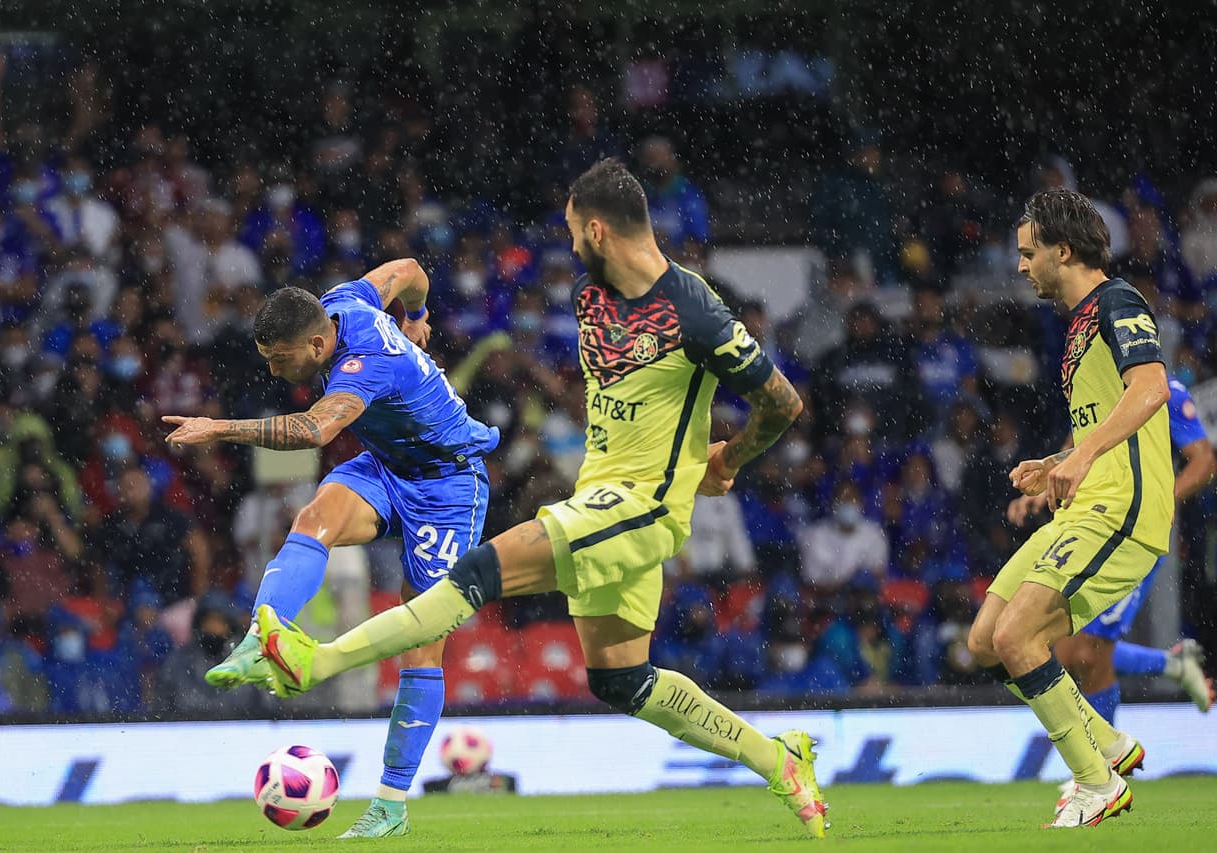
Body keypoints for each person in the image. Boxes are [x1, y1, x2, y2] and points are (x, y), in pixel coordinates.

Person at [253, 160, 830, 839]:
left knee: (472, 577)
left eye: (569, 229)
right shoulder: (593, 295)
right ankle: (779, 758)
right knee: (623, 680)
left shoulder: (696, 308)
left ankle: (319, 659)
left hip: (636, 508)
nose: (567, 242)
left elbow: (783, 402)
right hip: (599, 493)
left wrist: (728, 457)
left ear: (595, 228)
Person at [161, 258, 498, 838]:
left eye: (280, 358)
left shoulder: (364, 368)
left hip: (448, 484)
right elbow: (410, 270)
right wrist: (417, 317)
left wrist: (218, 429)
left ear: (318, 343)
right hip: (389, 466)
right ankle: (260, 639)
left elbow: (315, 431)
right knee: (314, 518)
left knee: (421, 639)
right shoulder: (346, 299)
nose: (272, 369)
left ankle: (390, 805)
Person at [966, 189, 1173, 828]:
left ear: (1064, 249)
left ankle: (1095, 781)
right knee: (984, 643)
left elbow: (1152, 387)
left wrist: (1082, 462)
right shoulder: (1078, 323)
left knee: (1015, 636)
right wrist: (1060, 461)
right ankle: (1108, 745)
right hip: (1083, 503)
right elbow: (1108, 415)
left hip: (1121, 509)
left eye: (1030, 254)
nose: (1022, 266)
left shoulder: (1118, 301)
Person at [1009, 374, 1217, 726]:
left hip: (1130, 533)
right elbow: (1078, 451)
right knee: (1060, 646)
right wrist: (1045, 488)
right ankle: (1173, 666)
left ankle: (1105, 770)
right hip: (1088, 526)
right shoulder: (1096, 388)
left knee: (1088, 652)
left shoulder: (1161, 391)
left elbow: (1204, 461)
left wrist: (1159, 499)